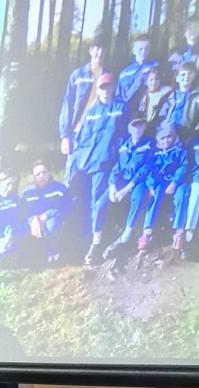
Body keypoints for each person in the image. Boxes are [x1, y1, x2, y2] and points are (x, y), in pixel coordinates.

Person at [67, 73, 126, 246]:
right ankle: (85, 236)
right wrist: (80, 159)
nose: (105, 91)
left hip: (106, 161)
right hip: (86, 163)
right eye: (102, 87)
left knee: (97, 198)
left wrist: (115, 153)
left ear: (113, 88)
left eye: (108, 87)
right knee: (83, 198)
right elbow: (83, 137)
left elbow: (124, 134)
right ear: (98, 90)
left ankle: (95, 237)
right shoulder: (92, 112)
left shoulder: (121, 107)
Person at [99, 118, 155, 258]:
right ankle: (97, 240)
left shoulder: (149, 144)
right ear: (129, 129)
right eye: (134, 126)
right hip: (122, 180)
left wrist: (127, 189)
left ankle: (126, 235)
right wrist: (112, 186)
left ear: (144, 127)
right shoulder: (124, 145)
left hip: (139, 181)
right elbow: (117, 167)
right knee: (101, 203)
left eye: (141, 126)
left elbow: (146, 168)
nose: (137, 129)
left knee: (139, 197)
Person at [138, 123, 189, 251]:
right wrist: (151, 186)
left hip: (177, 180)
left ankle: (179, 231)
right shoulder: (156, 153)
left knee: (182, 194)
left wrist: (174, 183)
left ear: (174, 136)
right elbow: (151, 170)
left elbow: (183, 167)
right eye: (163, 138)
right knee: (156, 194)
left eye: (169, 137)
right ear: (158, 139)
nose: (166, 140)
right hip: (161, 181)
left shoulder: (180, 150)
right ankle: (147, 231)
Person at [59, 35, 108, 158]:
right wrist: (65, 136)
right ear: (91, 50)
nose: (100, 52)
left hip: (98, 132)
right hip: (77, 132)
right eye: (97, 48)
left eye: (103, 49)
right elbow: (67, 104)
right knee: (74, 167)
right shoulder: (78, 75)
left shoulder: (109, 76)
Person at [21, 161, 71, 264]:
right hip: (33, 223)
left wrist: (46, 216)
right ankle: (34, 256)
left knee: (51, 225)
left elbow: (66, 208)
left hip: (53, 221)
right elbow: (23, 212)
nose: (41, 176)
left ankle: (53, 252)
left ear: (49, 173)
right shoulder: (27, 192)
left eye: (44, 172)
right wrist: (34, 219)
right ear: (33, 177)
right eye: (38, 174)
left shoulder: (59, 188)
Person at [173, 131, 199, 251]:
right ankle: (178, 230)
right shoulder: (195, 139)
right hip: (188, 176)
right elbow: (185, 159)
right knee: (181, 194)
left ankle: (188, 231)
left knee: (196, 194)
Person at [164, 63, 199, 137]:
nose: (186, 77)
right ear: (177, 78)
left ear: (194, 76)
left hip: (188, 135)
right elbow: (162, 115)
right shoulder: (170, 95)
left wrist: (198, 129)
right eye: (183, 74)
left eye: (189, 74)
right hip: (168, 135)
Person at [117, 34, 159, 105]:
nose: (143, 52)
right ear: (134, 51)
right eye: (140, 49)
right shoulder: (125, 73)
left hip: (150, 108)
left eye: (146, 49)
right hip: (129, 109)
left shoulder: (156, 67)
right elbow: (119, 97)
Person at [136, 64, 173, 131]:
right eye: (151, 80)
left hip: (159, 127)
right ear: (146, 81)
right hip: (145, 127)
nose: (154, 82)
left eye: (157, 79)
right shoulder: (143, 96)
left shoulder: (166, 92)